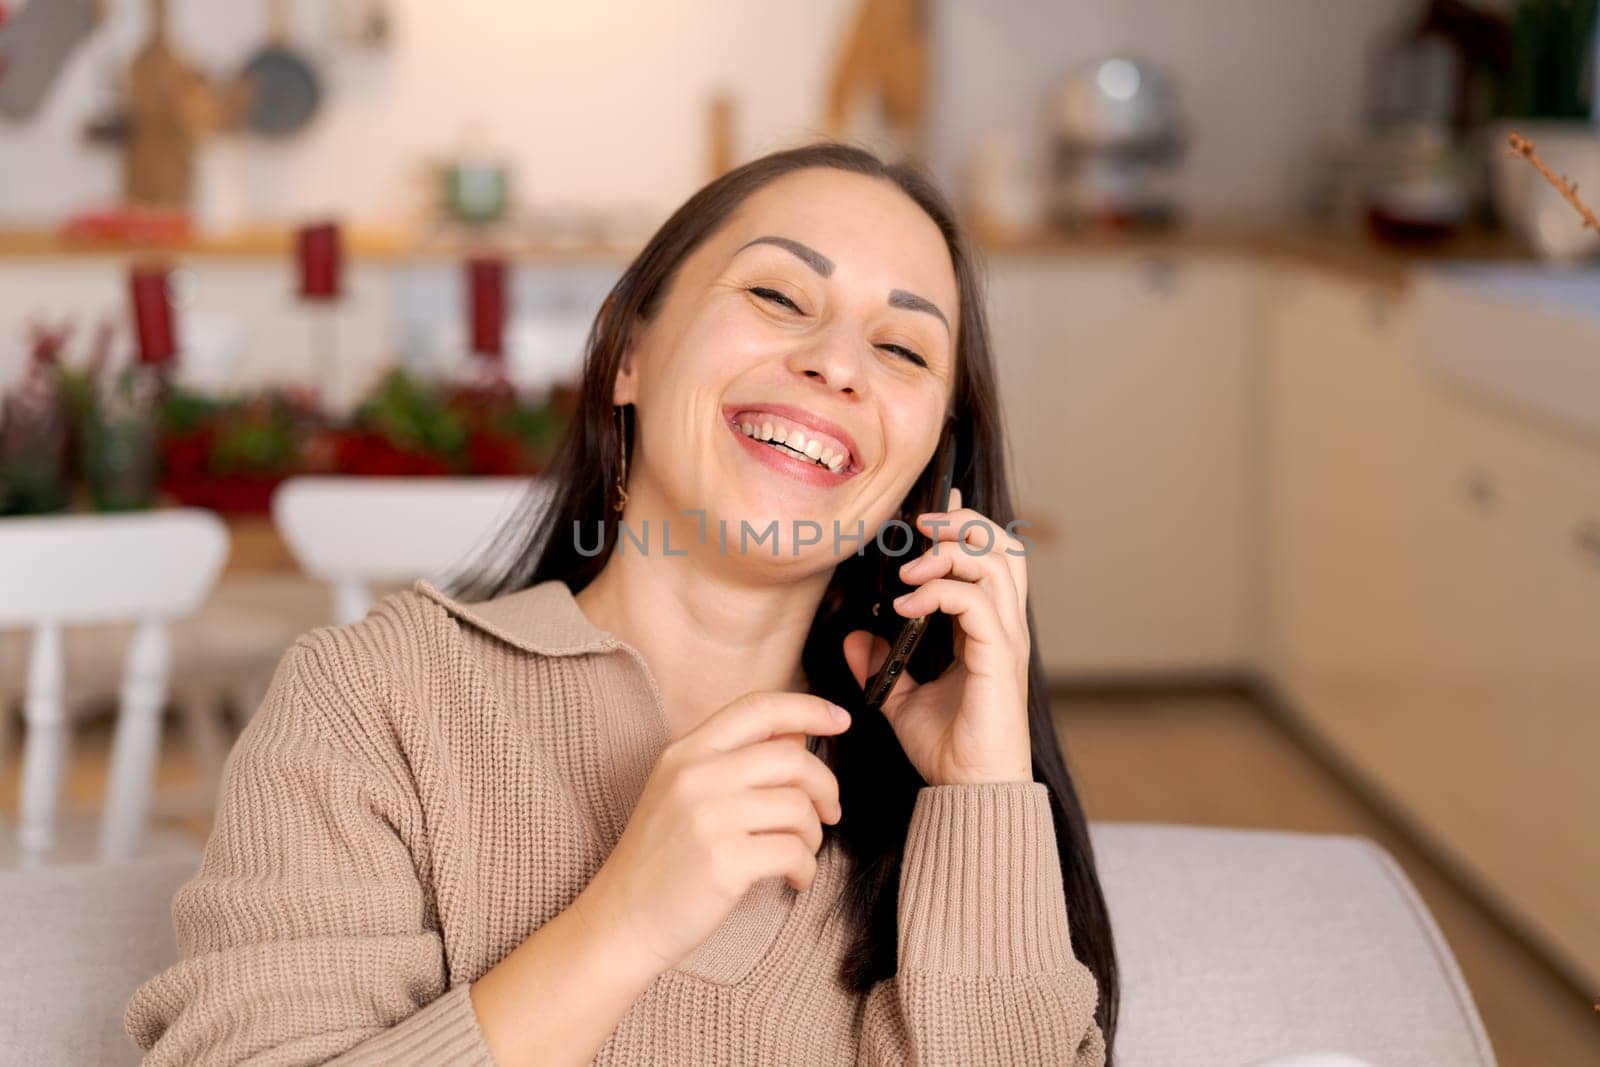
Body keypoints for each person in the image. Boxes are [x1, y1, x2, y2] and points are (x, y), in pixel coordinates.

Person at [124, 141, 1120, 1065]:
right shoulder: (369, 700)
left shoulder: (932, 790)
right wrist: (627, 919)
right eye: (779, 294)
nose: (838, 364)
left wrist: (982, 794)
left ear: (922, 461)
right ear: (625, 352)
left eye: (904, 349)